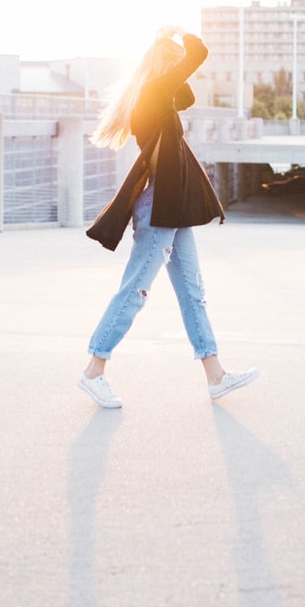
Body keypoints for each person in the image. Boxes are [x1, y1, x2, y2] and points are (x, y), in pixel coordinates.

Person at [79, 27, 259, 409]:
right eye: (175, 64)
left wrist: (173, 57)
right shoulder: (151, 95)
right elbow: (200, 52)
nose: (182, 70)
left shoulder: (161, 97)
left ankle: (216, 376)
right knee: (134, 292)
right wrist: (180, 36)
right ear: (164, 64)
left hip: (172, 210)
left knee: (193, 292)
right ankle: (94, 370)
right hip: (158, 208)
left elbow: (187, 95)